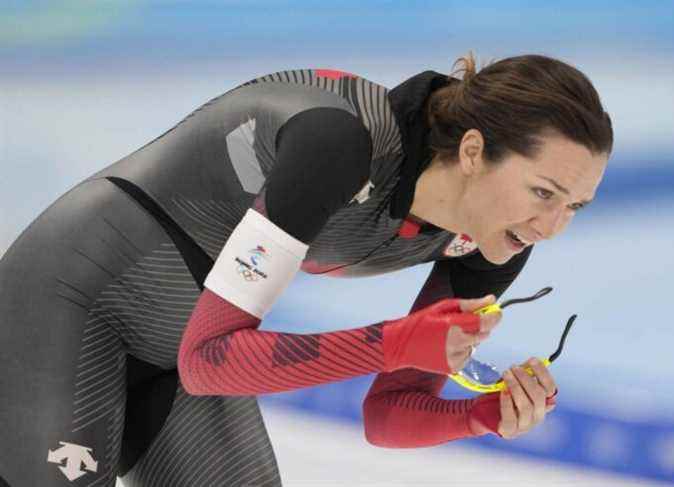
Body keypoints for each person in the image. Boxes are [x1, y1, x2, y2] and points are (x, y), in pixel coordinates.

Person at [0, 53, 612, 486]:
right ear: (474, 152)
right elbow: (210, 359)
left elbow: (387, 414)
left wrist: (481, 416)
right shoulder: (338, 144)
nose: (553, 226)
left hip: (181, 355)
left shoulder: (492, 242)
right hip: (73, 302)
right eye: (543, 193)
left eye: (574, 206)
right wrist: (396, 343)